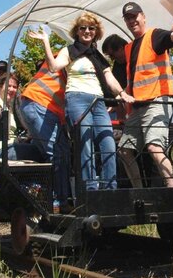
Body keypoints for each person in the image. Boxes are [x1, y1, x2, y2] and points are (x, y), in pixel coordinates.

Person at [29, 12, 134, 190]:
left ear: (96, 32)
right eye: (82, 28)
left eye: (91, 28)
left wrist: (122, 94)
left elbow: (110, 79)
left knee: (108, 142)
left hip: (98, 101)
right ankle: (90, 189)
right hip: (77, 99)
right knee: (86, 145)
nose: (87, 31)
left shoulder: (98, 57)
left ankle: (110, 189)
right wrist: (46, 41)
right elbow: (54, 67)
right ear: (77, 31)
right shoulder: (69, 51)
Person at [118, 1, 173, 188]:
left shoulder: (154, 35)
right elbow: (134, 81)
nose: (131, 20)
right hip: (138, 105)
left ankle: (172, 192)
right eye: (128, 18)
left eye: (134, 16)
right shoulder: (130, 47)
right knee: (124, 150)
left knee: (154, 148)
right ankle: (140, 193)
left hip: (157, 101)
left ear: (143, 17)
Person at [19, 46, 70, 206]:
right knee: (57, 154)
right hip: (38, 104)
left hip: (42, 107)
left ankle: (56, 197)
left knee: (61, 152)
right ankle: (58, 202)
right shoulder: (67, 58)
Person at [0, 73, 40, 165]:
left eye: (14, 87)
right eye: (8, 86)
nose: (11, 89)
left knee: (34, 145)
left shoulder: (6, 105)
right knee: (41, 151)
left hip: (3, 149)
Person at [101, 34, 129, 121]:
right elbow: (115, 89)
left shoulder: (135, 58)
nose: (112, 59)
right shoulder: (118, 64)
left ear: (121, 48)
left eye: (112, 55)